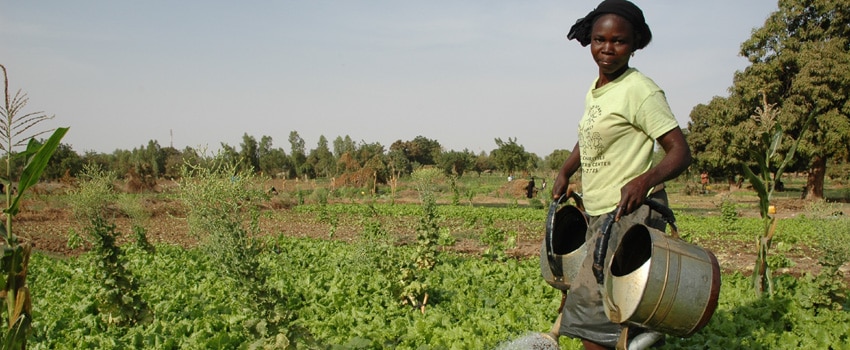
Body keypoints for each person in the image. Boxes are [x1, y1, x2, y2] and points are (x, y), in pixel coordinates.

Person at [550, 1, 692, 349]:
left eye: (619, 41)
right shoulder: (596, 90)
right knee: (629, 313)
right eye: (600, 40)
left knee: (594, 323)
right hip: (600, 214)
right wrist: (566, 170)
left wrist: (645, 181)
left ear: (635, 44)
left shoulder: (640, 90)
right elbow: (591, 137)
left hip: (629, 215)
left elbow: (680, 151)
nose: (607, 49)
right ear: (590, 40)